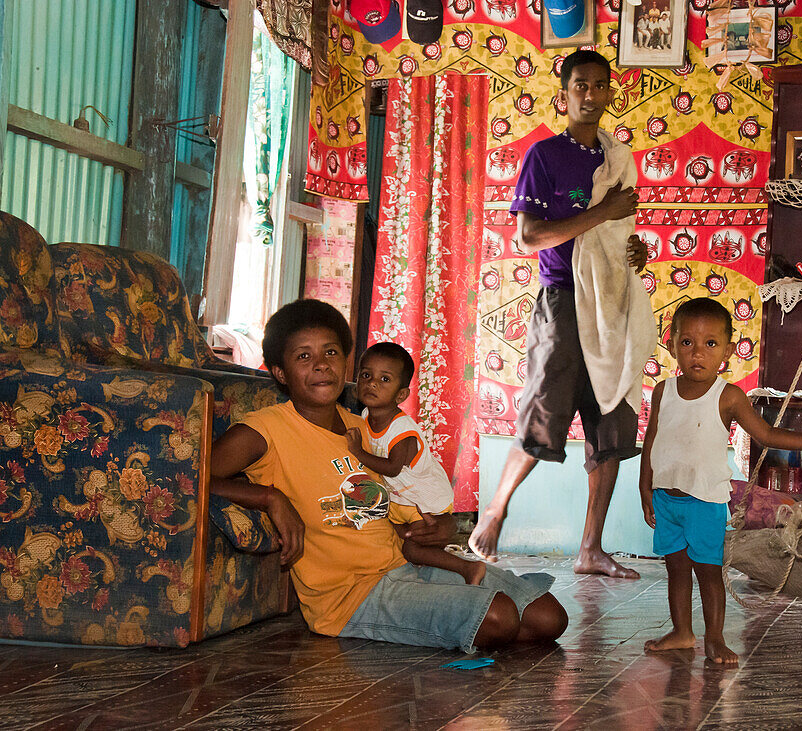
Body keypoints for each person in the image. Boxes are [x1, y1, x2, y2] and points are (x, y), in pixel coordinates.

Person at [211, 299, 567, 652]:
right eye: (303, 356)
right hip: (352, 596)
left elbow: (388, 507)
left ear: (347, 361)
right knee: (499, 618)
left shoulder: (365, 427)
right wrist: (271, 498)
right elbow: (190, 479)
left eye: (331, 353)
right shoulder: (266, 430)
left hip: (406, 561)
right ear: (280, 373)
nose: (321, 365)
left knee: (549, 618)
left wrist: (438, 529)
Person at [467, 49, 648, 579]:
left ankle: (590, 549)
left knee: (612, 418)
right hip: (564, 300)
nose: (590, 95)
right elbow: (529, 237)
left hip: (609, 302)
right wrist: (600, 213)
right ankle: (495, 511)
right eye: (580, 86)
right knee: (543, 410)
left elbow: (617, 236)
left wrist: (636, 252)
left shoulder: (617, 158)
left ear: (611, 92)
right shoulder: (544, 157)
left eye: (599, 86)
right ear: (564, 92)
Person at [639, 297, 802, 664]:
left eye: (710, 344)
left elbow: (766, 434)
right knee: (676, 569)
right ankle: (683, 632)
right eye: (687, 343)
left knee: (708, 571)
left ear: (728, 351)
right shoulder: (662, 392)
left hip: (704, 502)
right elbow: (652, 440)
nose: (697, 353)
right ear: (671, 345)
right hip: (666, 500)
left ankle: (714, 638)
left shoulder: (728, 397)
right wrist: (645, 487)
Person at [344, 341, 486, 585]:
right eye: (366, 375)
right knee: (401, 542)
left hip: (425, 499)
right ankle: (439, 569)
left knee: (412, 549)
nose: (372, 383)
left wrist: (357, 451)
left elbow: (392, 467)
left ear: (401, 395)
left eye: (384, 379)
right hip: (403, 497)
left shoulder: (402, 430)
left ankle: (469, 569)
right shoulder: (366, 416)